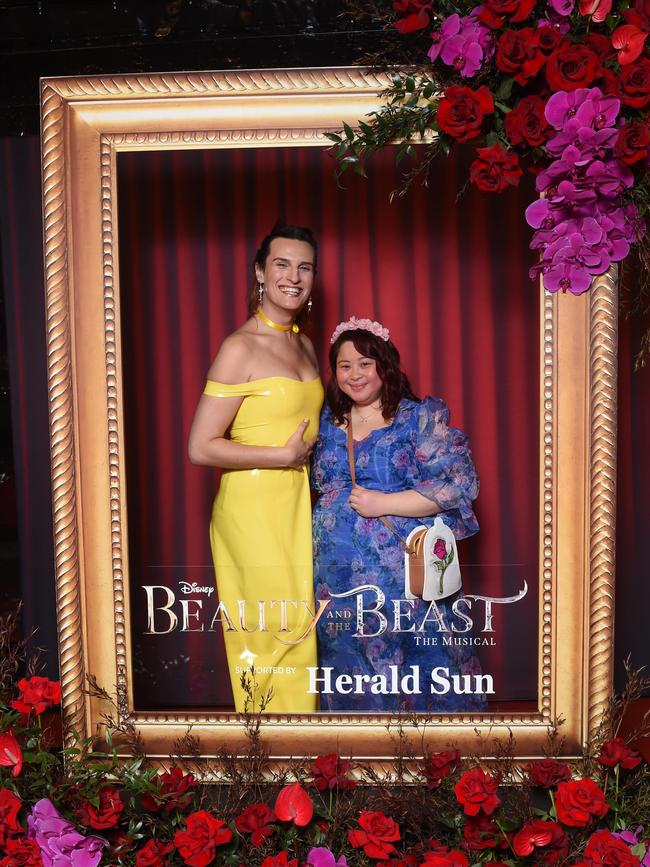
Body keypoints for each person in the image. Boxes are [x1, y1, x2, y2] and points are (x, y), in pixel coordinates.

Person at [311, 317, 486, 713]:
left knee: (411, 657)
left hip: (400, 572)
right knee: (347, 659)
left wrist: (384, 503)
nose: (354, 375)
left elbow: (457, 482)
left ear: (384, 366)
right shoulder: (325, 421)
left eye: (364, 364)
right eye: (344, 365)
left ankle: (428, 759)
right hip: (334, 576)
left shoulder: (416, 418)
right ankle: (359, 760)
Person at [188, 222, 324, 713]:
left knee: (300, 626)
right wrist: (279, 457)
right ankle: (271, 759)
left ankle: (304, 760)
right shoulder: (239, 347)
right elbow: (200, 447)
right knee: (271, 635)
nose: (294, 276)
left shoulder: (304, 343)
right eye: (282, 264)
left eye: (304, 266)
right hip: (251, 506)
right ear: (260, 273)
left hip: (294, 501)